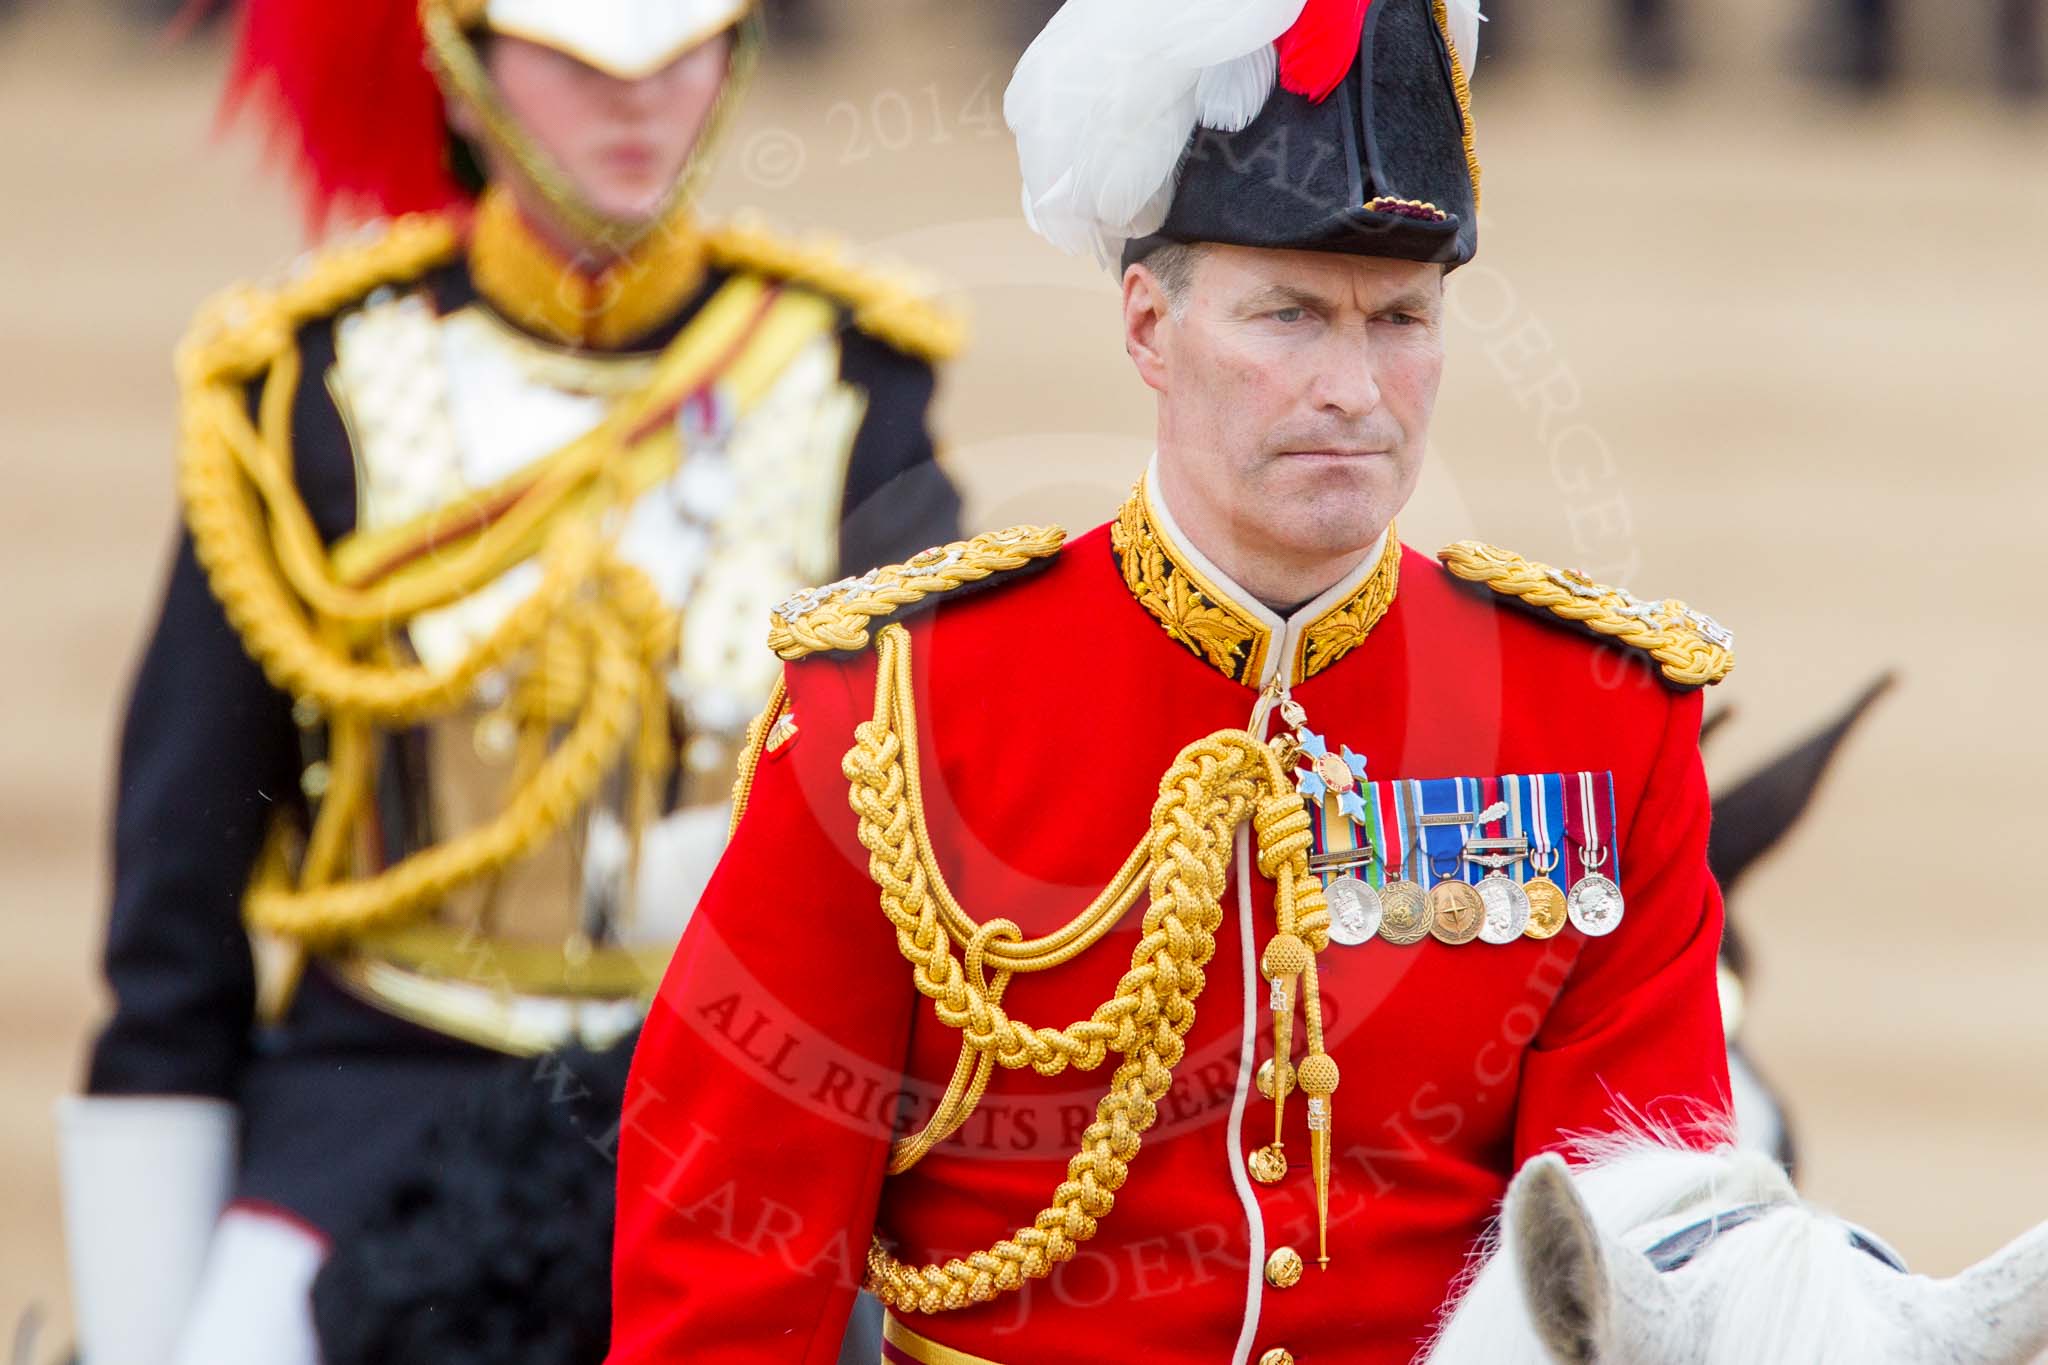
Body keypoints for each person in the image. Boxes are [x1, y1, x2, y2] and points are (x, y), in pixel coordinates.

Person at [608, 0, 1733, 1361]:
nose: (1355, 390)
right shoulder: (894, 709)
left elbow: (1647, 1282)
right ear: (1149, 323)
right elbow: (728, 1277)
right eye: (1289, 314)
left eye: (1402, 321)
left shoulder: (1599, 719)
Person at [59, 0, 961, 1360]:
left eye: (678, 50)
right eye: (579, 56)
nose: (637, 97)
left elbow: (936, 840)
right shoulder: (307, 390)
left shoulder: (852, 379)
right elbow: (173, 916)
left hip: (747, 1120)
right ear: (462, 71)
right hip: (375, 1110)